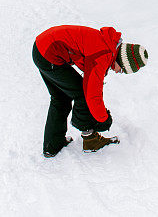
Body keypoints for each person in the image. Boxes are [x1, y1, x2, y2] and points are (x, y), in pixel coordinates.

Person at [32, 25, 148, 157]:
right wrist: (103, 119)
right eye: (121, 69)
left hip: (42, 48)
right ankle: (90, 139)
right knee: (82, 93)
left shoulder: (107, 44)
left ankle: (52, 146)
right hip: (48, 54)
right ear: (122, 60)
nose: (117, 72)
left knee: (61, 98)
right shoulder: (103, 54)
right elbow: (92, 93)